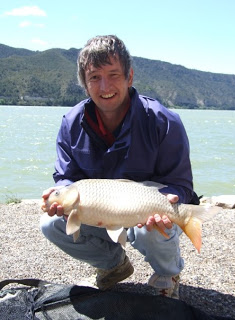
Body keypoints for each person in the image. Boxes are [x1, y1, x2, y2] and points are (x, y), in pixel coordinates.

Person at [40, 35, 195, 299]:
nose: (105, 86)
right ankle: (114, 266)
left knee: (154, 226)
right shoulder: (71, 123)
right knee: (50, 223)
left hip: (146, 210)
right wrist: (59, 194)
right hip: (100, 209)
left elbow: (181, 184)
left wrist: (170, 198)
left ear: (129, 77)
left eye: (113, 75)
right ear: (85, 85)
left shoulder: (163, 120)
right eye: (94, 78)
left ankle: (167, 277)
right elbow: (66, 177)